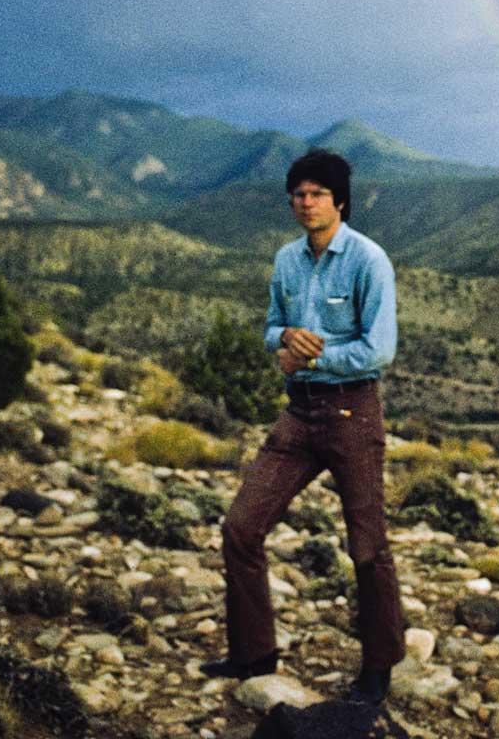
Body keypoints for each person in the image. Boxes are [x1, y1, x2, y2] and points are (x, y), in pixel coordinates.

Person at [200, 149, 405, 707]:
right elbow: (271, 327)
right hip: (299, 414)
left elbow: (378, 350)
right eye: (298, 193)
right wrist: (285, 342)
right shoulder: (288, 260)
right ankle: (253, 656)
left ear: (339, 200)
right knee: (241, 526)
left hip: (352, 413)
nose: (305, 202)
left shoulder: (368, 260)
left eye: (316, 193)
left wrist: (313, 357)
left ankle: (380, 668)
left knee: (366, 545)